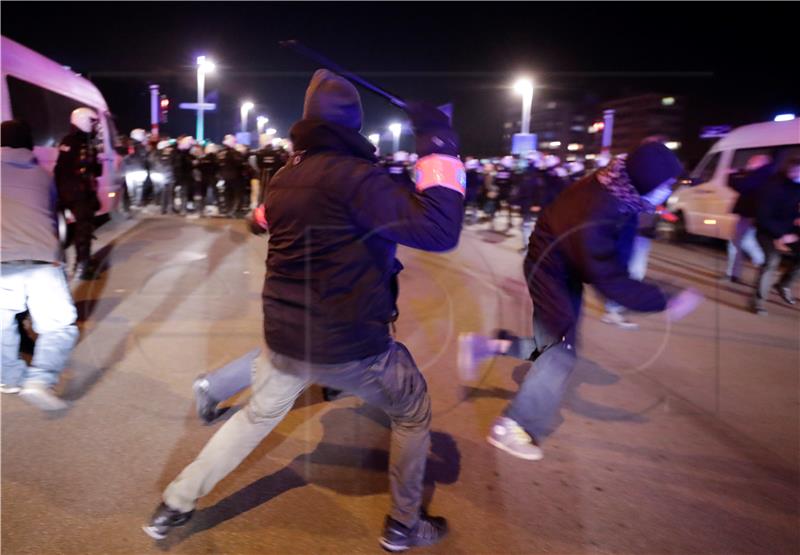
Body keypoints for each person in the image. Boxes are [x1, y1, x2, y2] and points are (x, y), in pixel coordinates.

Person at [143, 69, 465, 551]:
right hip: (351, 344)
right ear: (353, 124)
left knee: (255, 418)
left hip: (286, 339)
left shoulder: (287, 176)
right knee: (413, 413)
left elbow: (259, 221)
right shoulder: (358, 179)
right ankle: (403, 522)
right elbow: (439, 229)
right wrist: (438, 143)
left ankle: (175, 502)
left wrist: (261, 221)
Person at [458, 142, 702, 460]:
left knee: (556, 342)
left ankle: (489, 346)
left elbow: (613, 259)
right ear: (647, 180)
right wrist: (664, 299)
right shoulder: (600, 208)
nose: (669, 191)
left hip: (561, 263)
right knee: (561, 352)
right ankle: (512, 425)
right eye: (666, 185)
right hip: (552, 269)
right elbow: (610, 280)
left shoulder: (620, 190)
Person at [0, 120, 78, 410]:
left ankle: (9, 377)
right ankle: (40, 379)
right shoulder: (42, 176)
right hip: (42, 259)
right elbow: (52, 216)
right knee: (58, 326)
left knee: (1, 324)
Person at [54, 107, 102, 280]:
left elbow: (96, 170)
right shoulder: (74, 142)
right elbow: (64, 169)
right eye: (92, 121)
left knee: (84, 227)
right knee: (83, 228)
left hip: (79, 191)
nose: (94, 125)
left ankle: (83, 261)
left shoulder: (85, 142)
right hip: (76, 192)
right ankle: (82, 266)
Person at [750, 155, 800, 315]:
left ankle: (783, 284)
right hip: (766, 230)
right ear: (789, 170)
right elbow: (763, 217)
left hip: (789, 231)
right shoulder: (773, 187)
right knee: (772, 260)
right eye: (797, 170)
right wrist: (780, 236)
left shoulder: (797, 187)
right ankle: (758, 302)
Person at [723, 154, 772, 283]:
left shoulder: (760, 174)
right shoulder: (764, 173)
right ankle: (759, 265)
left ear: (760, 162)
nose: (748, 163)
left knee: (738, 242)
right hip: (752, 214)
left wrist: (731, 175)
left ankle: (759, 264)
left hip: (749, 214)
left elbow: (742, 186)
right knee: (743, 241)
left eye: (752, 161)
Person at [218, 134, 245, 217]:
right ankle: (234, 211)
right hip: (235, 176)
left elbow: (218, 163)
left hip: (224, 176)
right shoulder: (234, 153)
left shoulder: (220, 152)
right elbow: (239, 163)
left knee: (227, 194)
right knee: (236, 194)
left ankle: (228, 210)